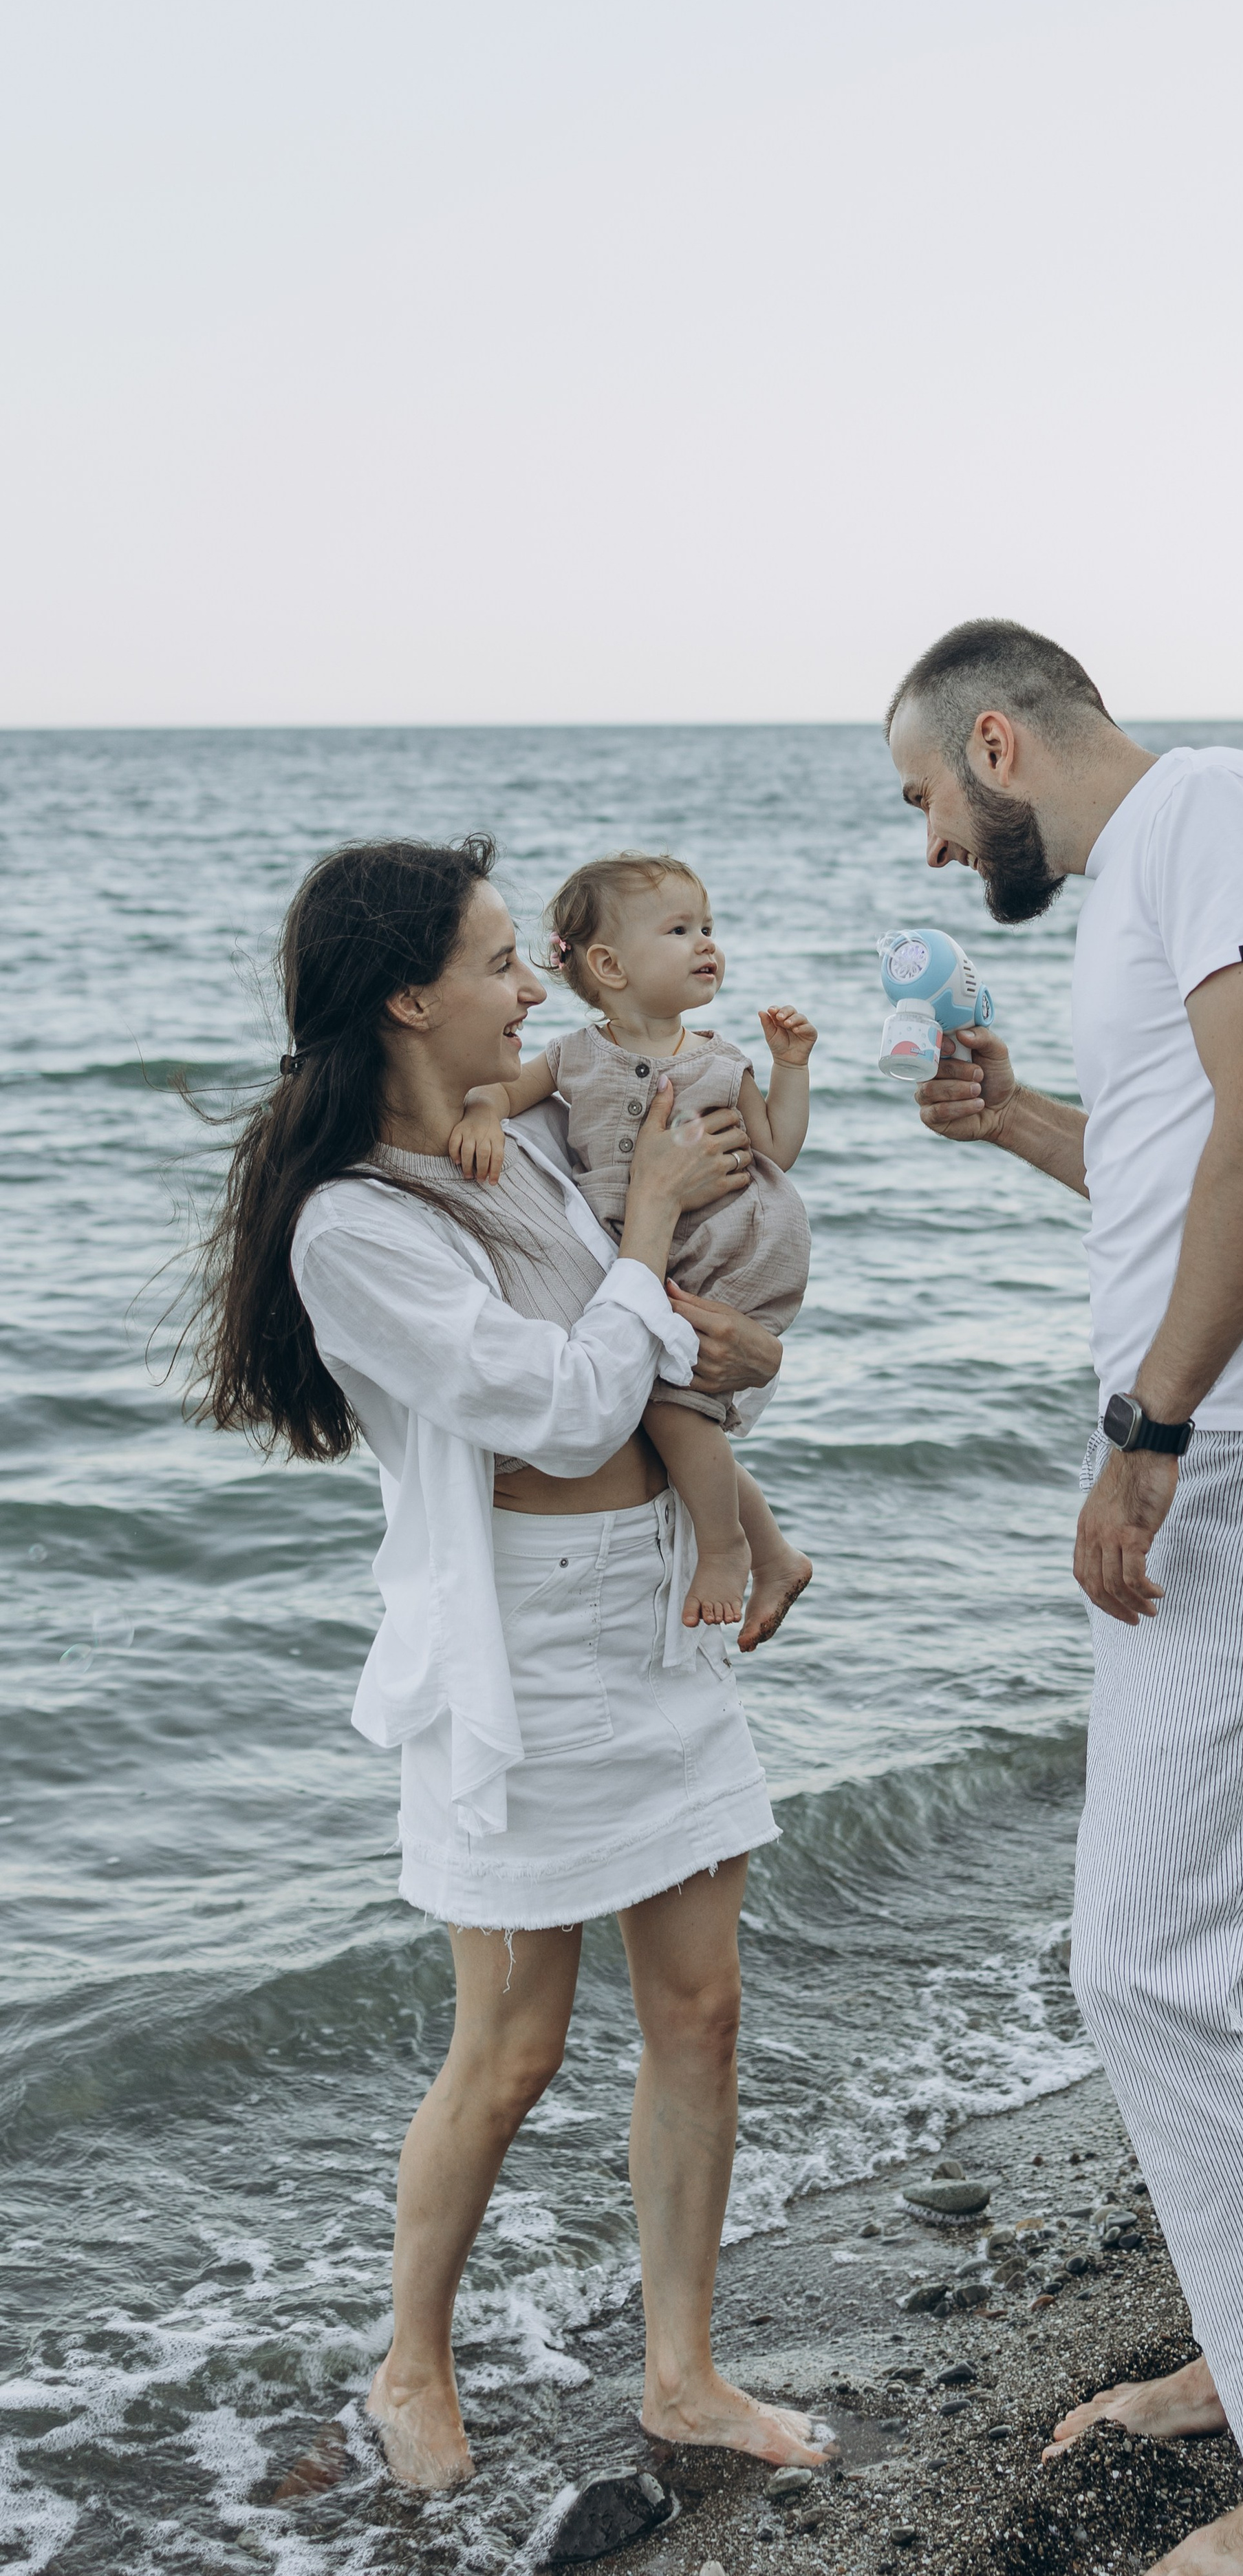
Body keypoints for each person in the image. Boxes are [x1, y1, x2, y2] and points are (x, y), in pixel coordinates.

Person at [889, 622, 1243, 2576]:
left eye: (930, 802)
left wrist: (1150, 1430)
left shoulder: (1211, 806)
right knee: (1228, 1953)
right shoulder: (1172, 873)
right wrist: (1029, 1120)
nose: (938, 853)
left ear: (1004, 742)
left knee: (1146, 1960)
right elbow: (1201, 1149)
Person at [186, 834, 828, 2489]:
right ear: (410, 997)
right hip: (525, 1643)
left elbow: (660, 1326)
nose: (528, 981)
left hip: (653, 1606)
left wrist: (735, 1440)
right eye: (494, 961)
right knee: (515, 2044)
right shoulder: (352, 1227)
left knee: (700, 2007)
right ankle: (412, 2359)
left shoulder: (524, 1141)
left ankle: (680, 2370)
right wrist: (659, 1232)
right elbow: (552, 1396)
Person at [448, 850, 814, 1639]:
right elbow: (503, 1093)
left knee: (675, 1411)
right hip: (646, 1258)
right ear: (609, 965)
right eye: (680, 930)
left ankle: (726, 1549)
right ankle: (774, 1551)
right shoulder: (576, 1055)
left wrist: (790, 1067)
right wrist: (482, 1116)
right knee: (672, 1415)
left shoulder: (722, 1060)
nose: (706, 944)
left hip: (724, 1254)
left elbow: (777, 1148)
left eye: (709, 927)